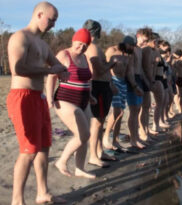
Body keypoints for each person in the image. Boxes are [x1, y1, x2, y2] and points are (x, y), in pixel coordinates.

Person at [6, 2, 68, 204]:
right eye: (51, 20)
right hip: (22, 97)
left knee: (44, 147)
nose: (53, 25)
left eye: (55, 21)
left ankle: (42, 193)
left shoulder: (42, 44)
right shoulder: (20, 37)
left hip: (38, 98)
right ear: (39, 14)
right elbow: (18, 69)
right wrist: (50, 71)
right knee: (29, 151)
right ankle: (17, 201)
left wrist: (62, 69)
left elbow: (55, 63)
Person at [46, 28, 96, 179]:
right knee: (84, 134)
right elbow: (52, 77)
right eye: (79, 44)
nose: (81, 48)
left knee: (85, 136)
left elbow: (88, 79)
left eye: (85, 46)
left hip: (84, 100)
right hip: (65, 99)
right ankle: (61, 161)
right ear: (73, 40)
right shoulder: (63, 54)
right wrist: (49, 98)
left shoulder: (85, 57)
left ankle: (79, 168)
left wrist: (91, 95)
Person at [83, 19, 117, 168]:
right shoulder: (92, 48)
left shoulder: (95, 47)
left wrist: (110, 83)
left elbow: (102, 70)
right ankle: (93, 156)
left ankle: (100, 151)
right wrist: (112, 63)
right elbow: (98, 70)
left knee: (100, 121)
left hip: (103, 86)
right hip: (97, 87)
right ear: (97, 31)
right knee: (97, 123)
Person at [102, 36, 143, 152]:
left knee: (121, 113)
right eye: (132, 46)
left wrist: (135, 86)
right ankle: (106, 137)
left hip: (123, 83)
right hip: (113, 81)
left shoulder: (127, 55)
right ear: (126, 43)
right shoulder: (112, 51)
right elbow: (105, 68)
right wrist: (110, 84)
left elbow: (129, 72)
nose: (133, 49)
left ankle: (115, 140)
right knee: (117, 111)